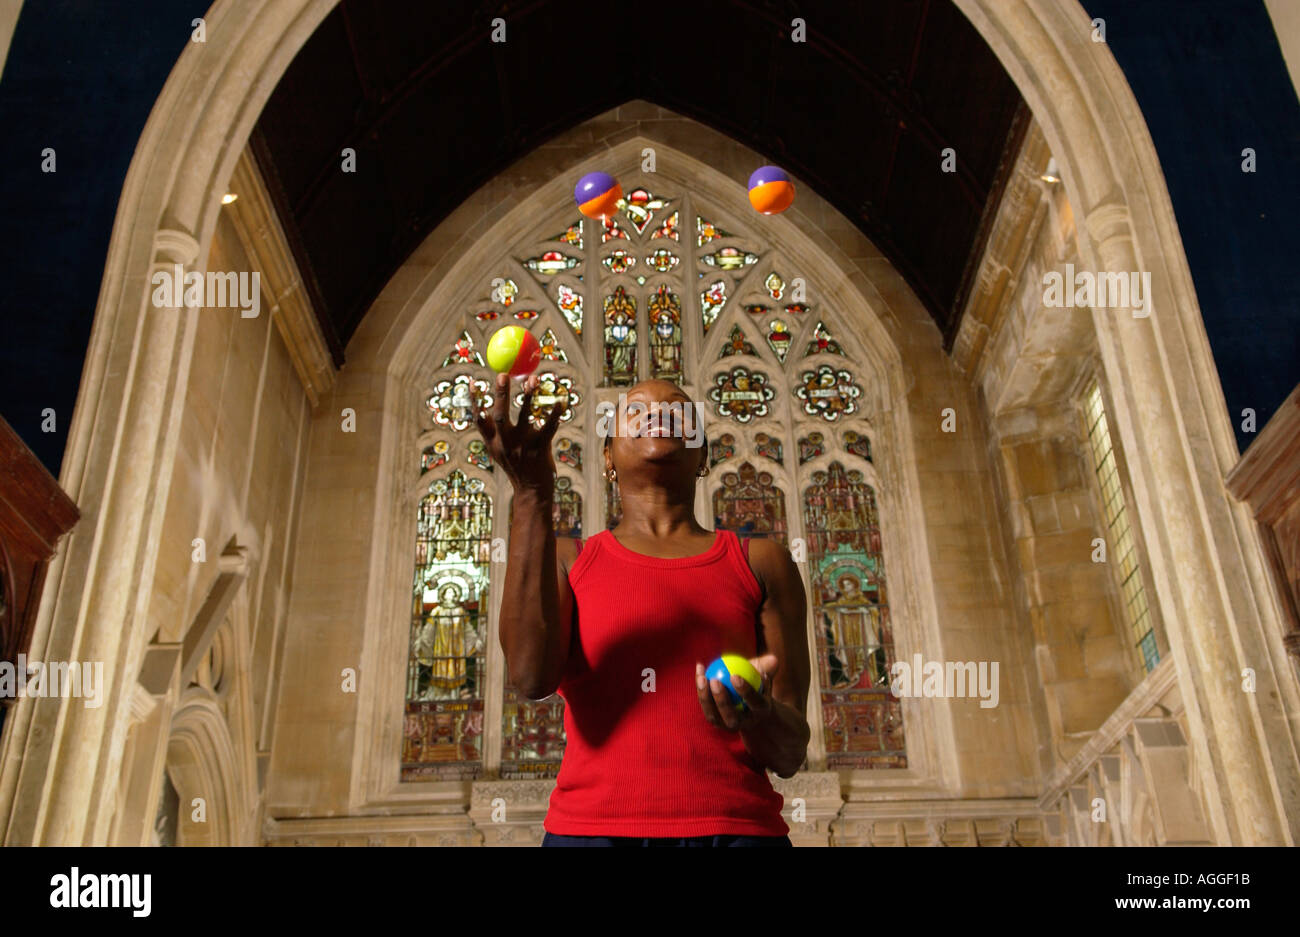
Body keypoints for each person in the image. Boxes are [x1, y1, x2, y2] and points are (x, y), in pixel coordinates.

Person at [476, 373, 811, 847]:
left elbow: (791, 751)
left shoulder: (762, 562)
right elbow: (531, 679)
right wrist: (532, 492)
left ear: (703, 456)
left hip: (734, 830)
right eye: (634, 410)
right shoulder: (568, 560)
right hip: (592, 833)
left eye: (678, 407)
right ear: (608, 458)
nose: (658, 411)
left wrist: (758, 716)